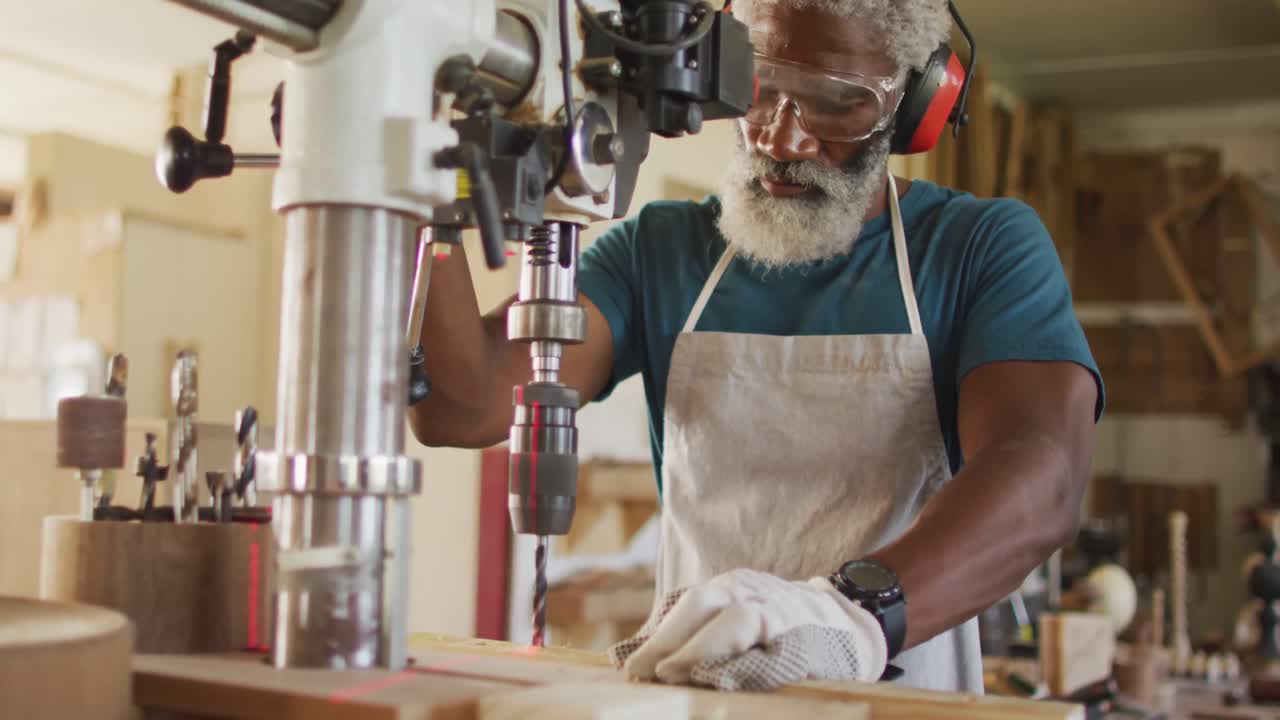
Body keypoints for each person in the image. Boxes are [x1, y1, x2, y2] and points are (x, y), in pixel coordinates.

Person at [410, 0, 1102, 694]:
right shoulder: (660, 252)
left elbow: (1043, 476)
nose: (782, 137)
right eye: (760, 87)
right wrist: (416, 177)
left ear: (914, 103)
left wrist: (852, 617)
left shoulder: (978, 248)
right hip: (698, 695)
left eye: (836, 102)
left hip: (898, 699)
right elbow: (460, 406)